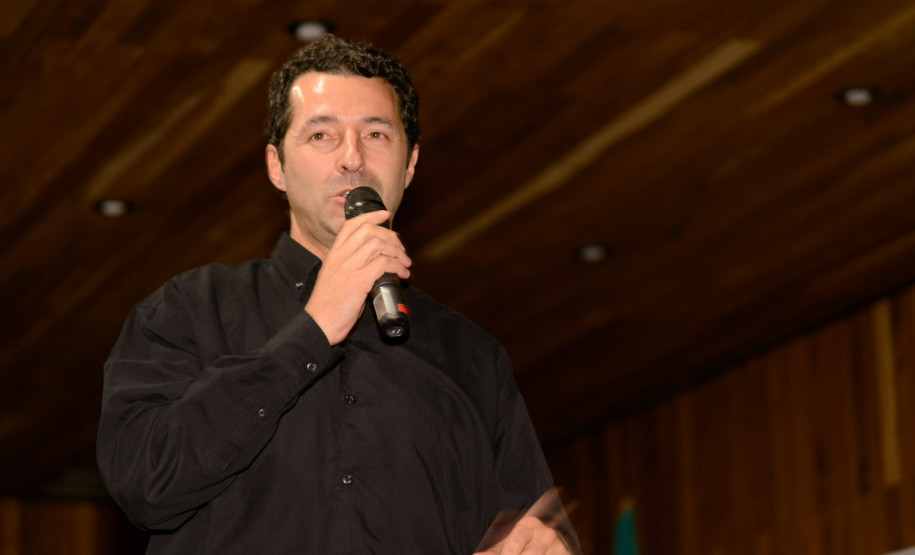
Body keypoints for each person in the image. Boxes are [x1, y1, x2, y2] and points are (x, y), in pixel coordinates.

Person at [96, 34, 579, 555]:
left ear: (410, 164)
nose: (353, 158)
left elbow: (531, 530)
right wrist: (314, 328)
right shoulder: (188, 310)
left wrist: (545, 546)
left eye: (376, 134)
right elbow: (145, 484)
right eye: (322, 135)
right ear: (276, 166)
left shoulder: (473, 358)